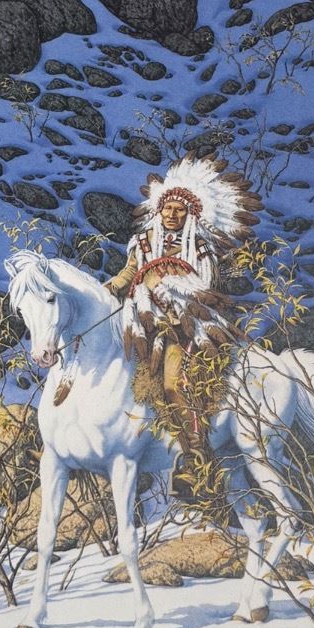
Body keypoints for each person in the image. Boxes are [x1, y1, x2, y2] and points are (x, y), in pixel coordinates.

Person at [106, 157, 258, 472]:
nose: (172, 214)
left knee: (174, 385)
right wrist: (110, 288)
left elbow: (204, 286)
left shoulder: (199, 247)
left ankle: (196, 453)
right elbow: (129, 273)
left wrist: (171, 292)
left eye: (179, 209)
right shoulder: (144, 242)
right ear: (158, 210)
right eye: (167, 208)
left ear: (190, 214)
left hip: (184, 328)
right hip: (142, 321)